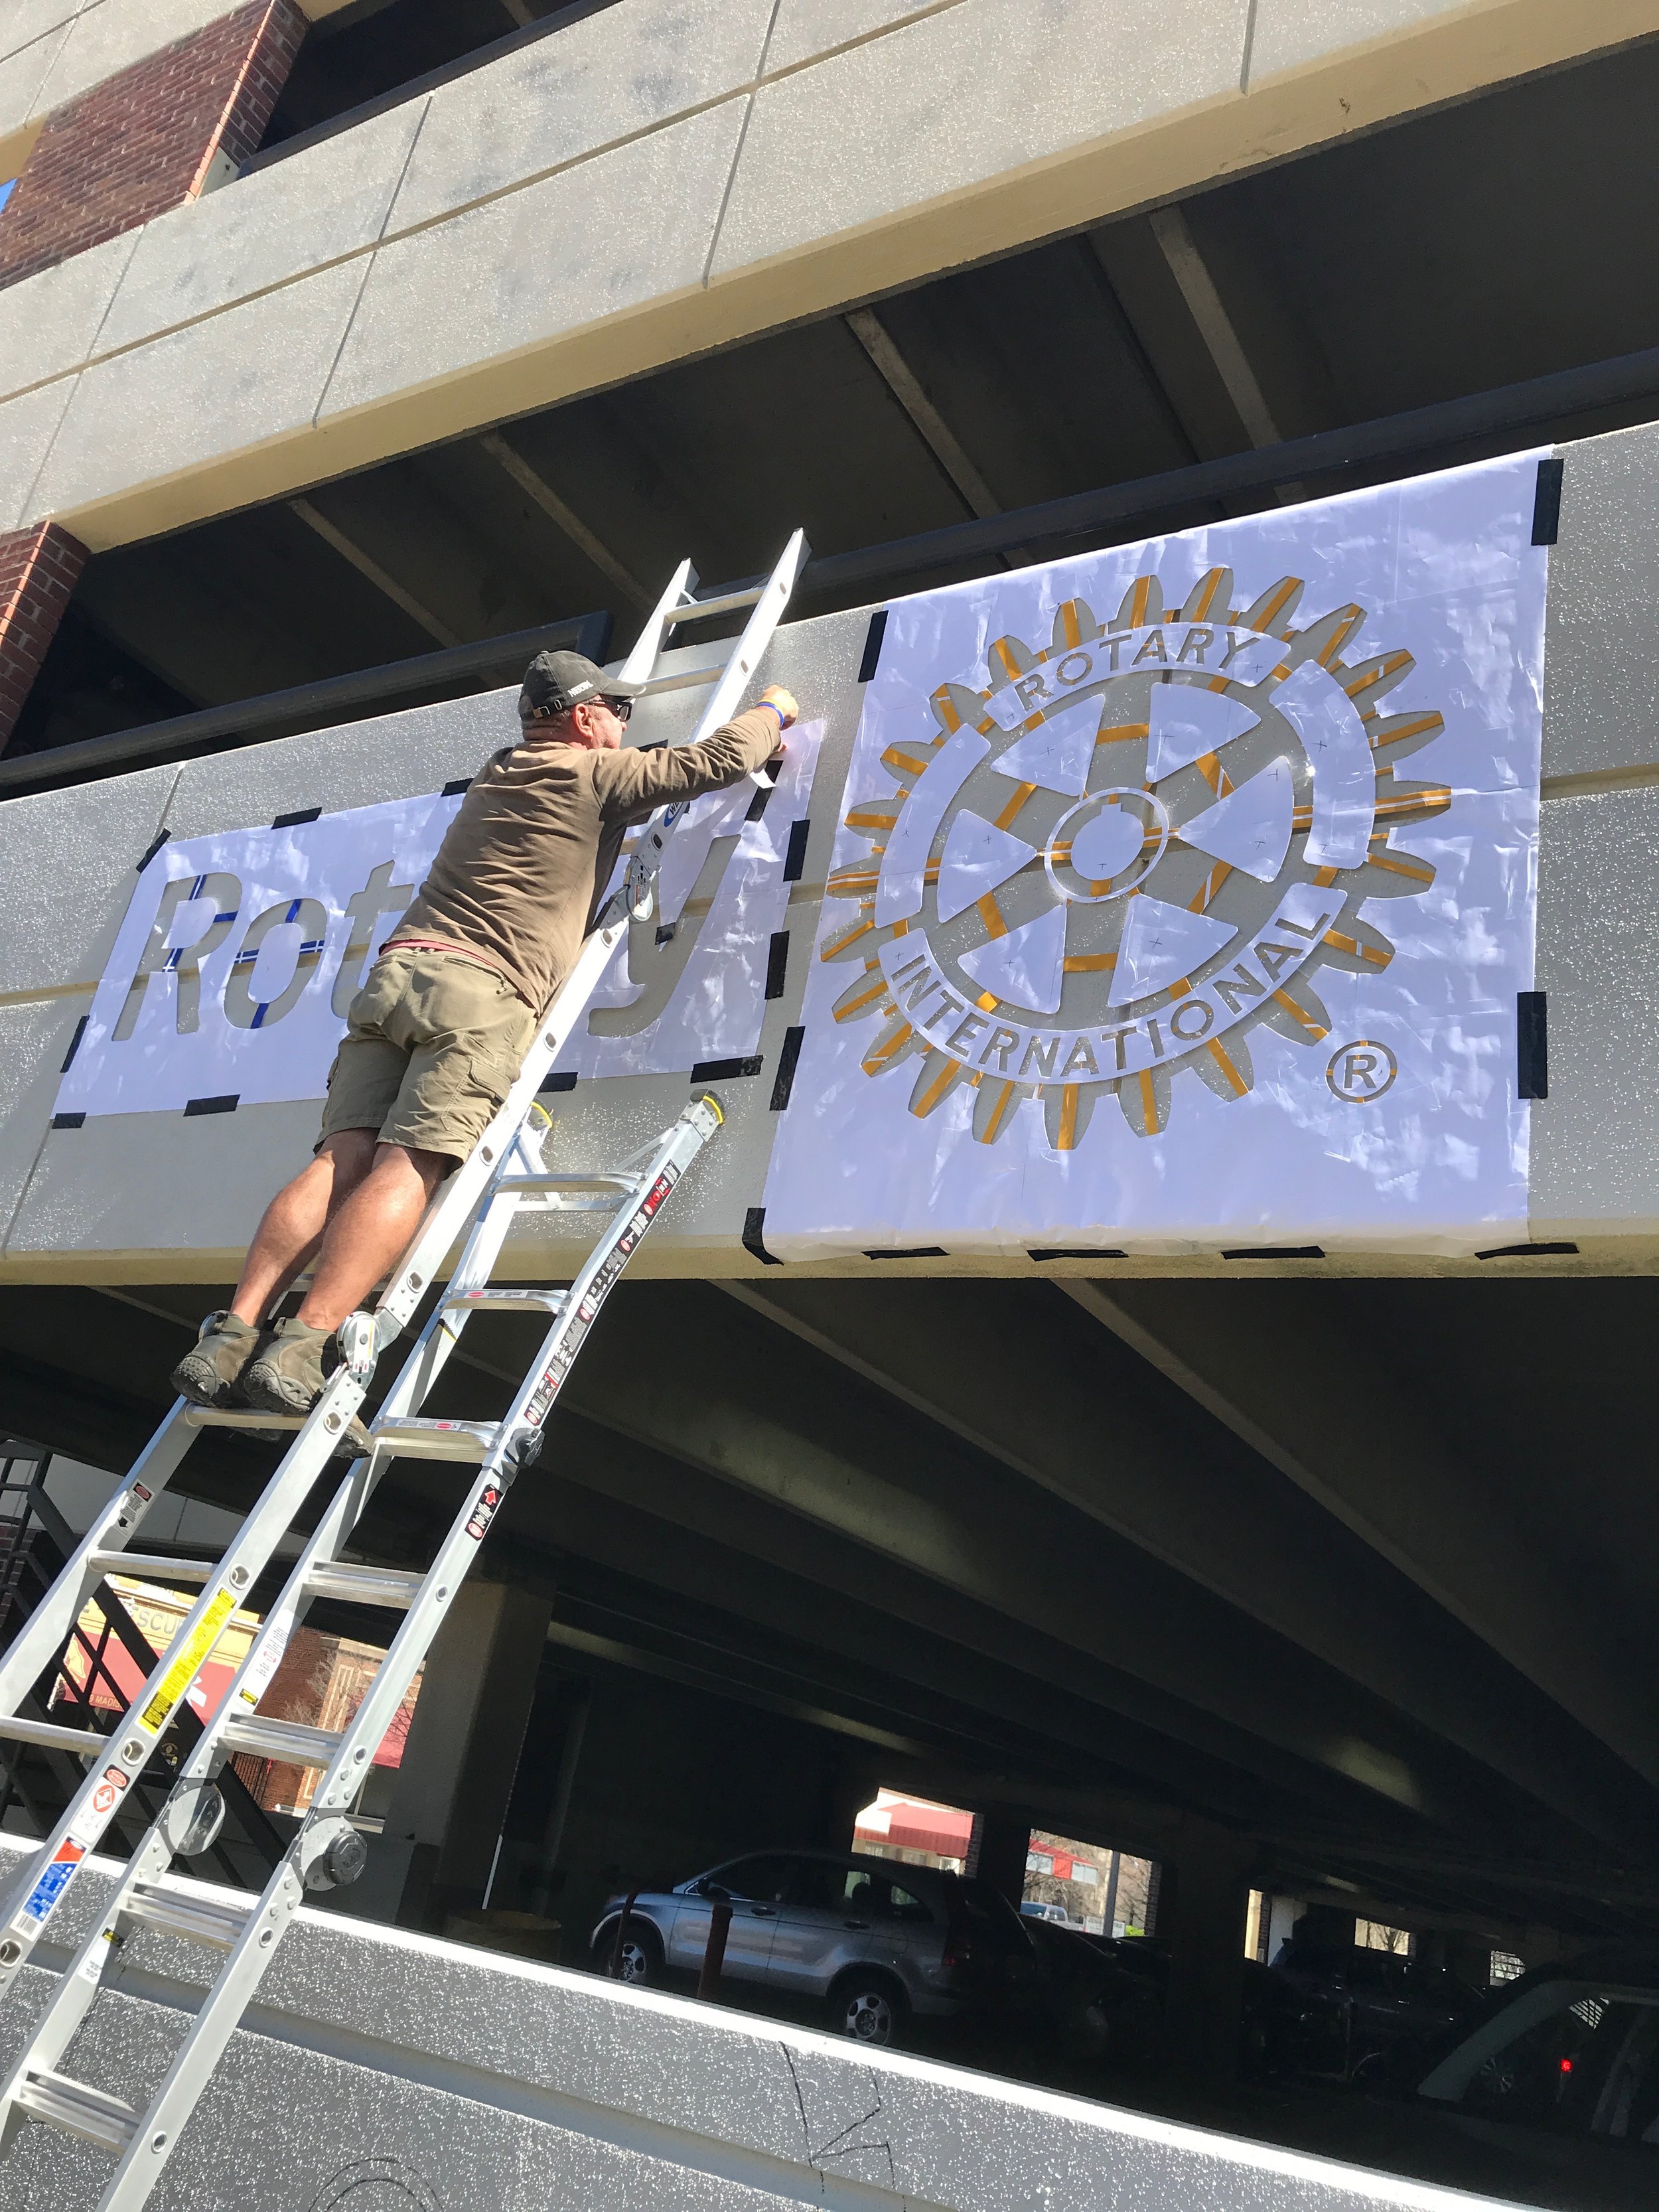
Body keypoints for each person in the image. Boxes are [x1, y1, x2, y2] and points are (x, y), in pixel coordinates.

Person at [171, 648, 798, 1418]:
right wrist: (773, 708)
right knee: (409, 1164)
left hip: (398, 973)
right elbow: (718, 761)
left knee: (342, 1157)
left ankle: (230, 1335)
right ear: (583, 716)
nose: (623, 727)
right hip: (482, 991)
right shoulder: (593, 774)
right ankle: (302, 1344)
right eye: (616, 713)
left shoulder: (498, 773)